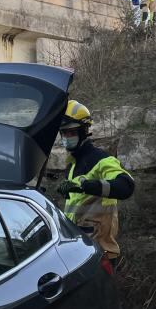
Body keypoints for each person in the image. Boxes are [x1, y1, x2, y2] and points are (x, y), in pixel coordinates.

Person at [56, 100, 134, 265]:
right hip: (78, 252)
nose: (67, 138)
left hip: (100, 254)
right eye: (64, 133)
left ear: (84, 131)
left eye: (71, 132)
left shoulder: (101, 159)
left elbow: (126, 186)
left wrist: (87, 186)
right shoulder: (72, 166)